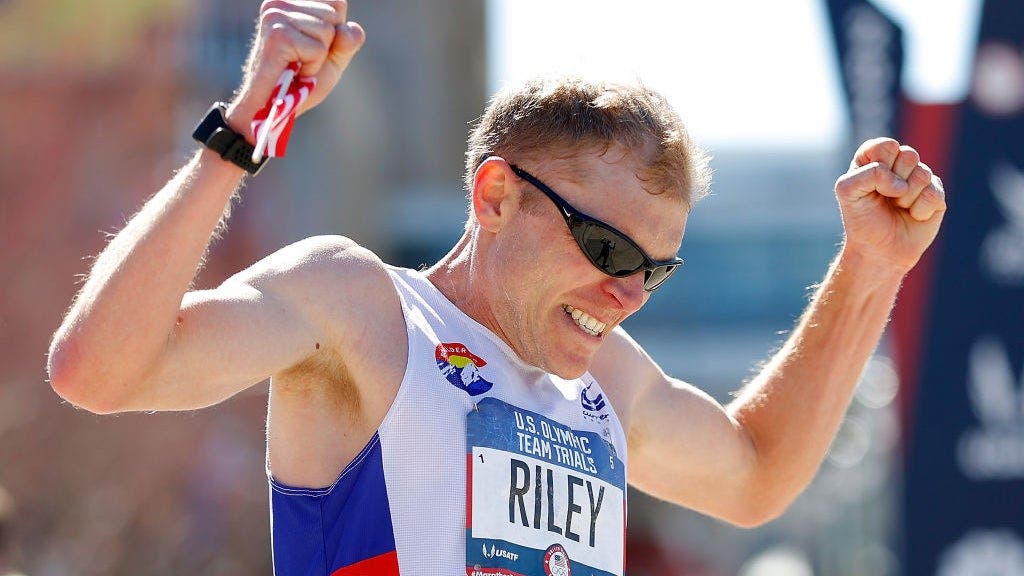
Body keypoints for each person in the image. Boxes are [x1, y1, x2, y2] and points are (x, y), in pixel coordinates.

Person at [46, 2, 947, 575]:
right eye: (603, 245)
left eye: (650, 268)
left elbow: (754, 478)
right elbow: (97, 371)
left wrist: (872, 267)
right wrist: (245, 128)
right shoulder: (361, 307)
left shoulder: (602, 386)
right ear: (495, 195)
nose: (625, 292)